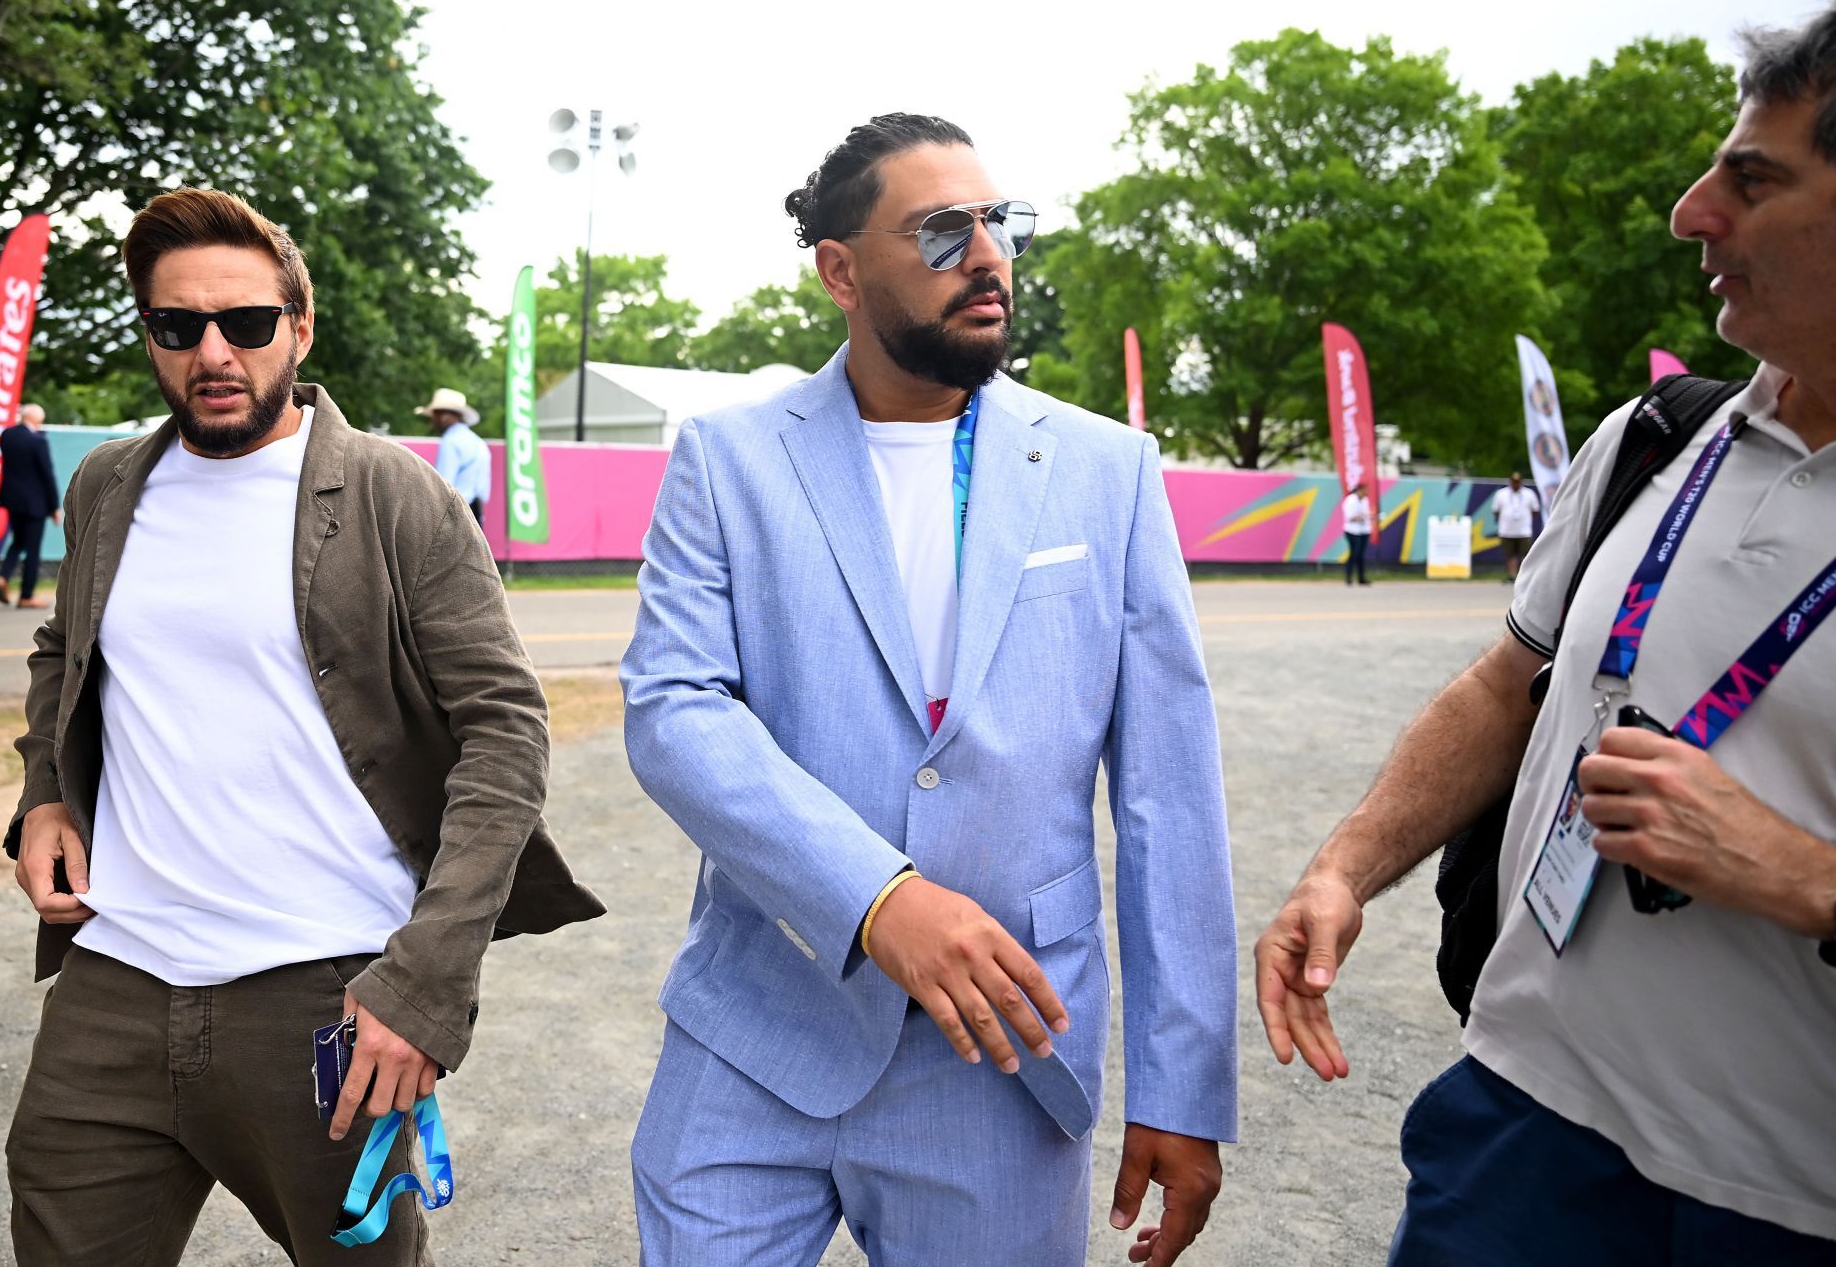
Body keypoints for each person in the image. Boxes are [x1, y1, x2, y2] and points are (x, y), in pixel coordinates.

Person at [1254, 10, 1836, 1263]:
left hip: (1789, 1203)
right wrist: (1344, 868)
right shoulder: (1654, 442)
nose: (1690, 213)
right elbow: (1504, 688)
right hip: (1518, 1135)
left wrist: (1799, 872)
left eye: (1754, 180)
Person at [621, 114, 1236, 1266]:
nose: (989, 255)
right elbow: (673, 710)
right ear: (840, 269)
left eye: (998, 223)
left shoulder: (1108, 471)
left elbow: (1170, 793)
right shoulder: (729, 458)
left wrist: (1181, 1082)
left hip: (1003, 1050)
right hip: (759, 1027)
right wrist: (877, 896)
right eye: (944, 231)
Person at [1, 188, 604, 1265]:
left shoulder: (393, 494)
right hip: (116, 980)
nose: (214, 351)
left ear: (300, 324)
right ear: (151, 334)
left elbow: (505, 733)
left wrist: (423, 980)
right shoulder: (106, 487)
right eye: (177, 327)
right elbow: (65, 652)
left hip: (324, 997)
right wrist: (45, 788)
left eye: (247, 321)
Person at [0, 402, 61, 609]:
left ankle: (3, 577)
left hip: (12, 499)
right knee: (32, 549)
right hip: (35, 503)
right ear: (36, 419)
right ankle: (26, 596)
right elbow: (47, 475)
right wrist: (54, 506)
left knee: (17, 541)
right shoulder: (38, 441)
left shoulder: (7, 435)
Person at [419, 387, 490, 527]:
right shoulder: (479, 442)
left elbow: (443, 488)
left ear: (444, 416)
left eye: (435, 415)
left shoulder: (451, 442)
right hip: (476, 513)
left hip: (456, 516)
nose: (433, 421)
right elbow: (483, 490)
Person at [1488, 470, 1542, 581]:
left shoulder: (1529, 494)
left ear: (1521, 482)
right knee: (1510, 554)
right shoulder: (1501, 494)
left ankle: (1523, 576)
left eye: (1517, 482)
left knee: (1525, 555)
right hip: (1506, 530)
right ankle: (1512, 575)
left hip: (1524, 530)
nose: (1515, 484)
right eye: (1514, 482)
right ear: (1510, 482)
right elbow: (1495, 510)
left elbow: (1535, 510)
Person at [1341, 480, 1373, 586]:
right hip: (1352, 531)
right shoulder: (1350, 500)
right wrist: (1364, 516)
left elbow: (1367, 514)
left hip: (1364, 530)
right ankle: (1349, 577)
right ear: (1359, 490)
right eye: (1365, 490)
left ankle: (1361, 578)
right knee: (1354, 554)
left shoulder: (1365, 500)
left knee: (1361, 555)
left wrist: (1368, 516)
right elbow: (1351, 517)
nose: (1366, 492)